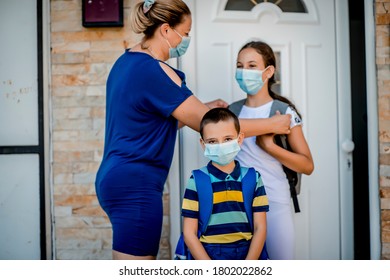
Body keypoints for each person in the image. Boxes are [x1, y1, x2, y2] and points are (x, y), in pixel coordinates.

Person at [95, 0, 291, 260]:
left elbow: (147, 122)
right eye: (185, 33)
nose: (187, 39)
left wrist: (201, 107)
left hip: (115, 177)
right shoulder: (156, 71)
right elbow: (213, 125)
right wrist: (273, 124)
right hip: (136, 184)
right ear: (166, 30)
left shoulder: (126, 62)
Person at [231, 40, 314, 260]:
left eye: (251, 66)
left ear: (268, 72)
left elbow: (307, 165)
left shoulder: (283, 112)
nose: (243, 71)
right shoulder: (232, 112)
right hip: (237, 205)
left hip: (274, 203)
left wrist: (269, 146)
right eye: (239, 66)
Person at [181, 108, 269, 260]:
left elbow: (260, 228)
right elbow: (189, 233)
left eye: (228, 139)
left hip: (247, 252)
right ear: (203, 144)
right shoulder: (196, 180)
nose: (221, 146)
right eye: (212, 141)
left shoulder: (253, 178)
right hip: (208, 253)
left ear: (240, 139)